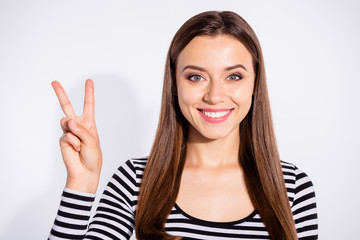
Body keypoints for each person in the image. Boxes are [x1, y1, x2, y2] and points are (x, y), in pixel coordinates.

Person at [48, 11, 318, 240]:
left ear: (255, 84)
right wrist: (81, 182)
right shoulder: (134, 180)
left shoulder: (293, 187)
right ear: (174, 84)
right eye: (196, 77)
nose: (214, 96)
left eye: (234, 76)